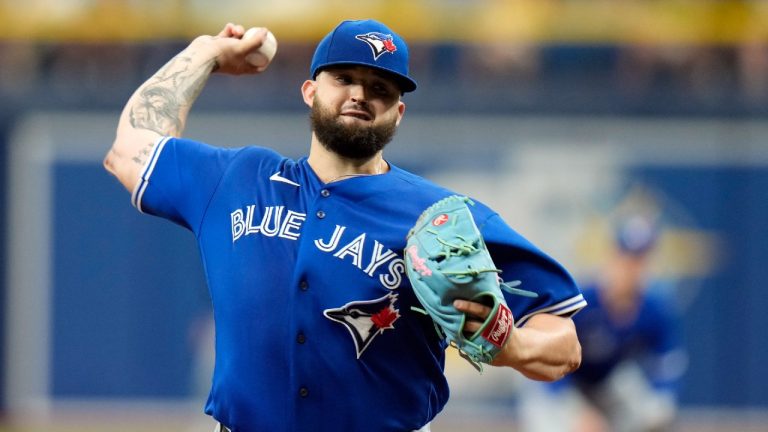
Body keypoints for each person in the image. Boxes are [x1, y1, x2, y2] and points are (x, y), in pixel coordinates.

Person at [104, 19, 585, 432]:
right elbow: (129, 148)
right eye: (344, 78)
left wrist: (514, 343)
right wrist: (205, 51)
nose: (360, 94)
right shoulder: (236, 180)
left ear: (398, 112)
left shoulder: (442, 216)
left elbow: (565, 343)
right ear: (310, 90)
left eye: (381, 88)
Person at [519, 213, 687, 432]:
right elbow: (544, 357)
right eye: (626, 257)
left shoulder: (653, 309)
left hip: (605, 383)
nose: (631, 268)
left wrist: (661, 402)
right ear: (612, 257)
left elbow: (668, 363)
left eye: (639, 260)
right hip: (553, 381)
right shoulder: (582, 301)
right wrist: (577, 414)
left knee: (658, 415)